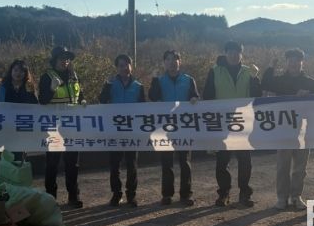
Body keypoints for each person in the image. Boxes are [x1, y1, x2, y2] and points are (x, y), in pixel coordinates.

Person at [260, 48, 314, 210]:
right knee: (283, 166)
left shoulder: (311, 83)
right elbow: (264, 83)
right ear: (286, 62)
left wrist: (309, 94)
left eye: (297, 60)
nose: (293, 63)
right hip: (283, 129)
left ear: (302, 63)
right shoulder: (279, 81)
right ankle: (282, 198)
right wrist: (271, 66)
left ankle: (296, 196)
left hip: (304, 130)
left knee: (300, 167)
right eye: (290, 60)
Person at [203, 41, 262, 208]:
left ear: (241, 54)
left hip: (243, 122)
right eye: (230, 52)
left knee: (245, 160)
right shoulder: (215, 71)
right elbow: (207, 95)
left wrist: (255, 78)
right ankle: (224, 193)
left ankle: (244, 193)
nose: (234, 55)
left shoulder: (249, 72)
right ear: (225, 53)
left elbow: (257, 95)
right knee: (222, 161)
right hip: (222, 123)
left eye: (237, 52)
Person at [148, 50, 200, 207]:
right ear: (164, 63)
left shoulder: (189, 80)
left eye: (175, 59)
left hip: (185, 126)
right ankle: (167, 194)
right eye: (168, 59)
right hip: (165, 127)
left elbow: (196, 97)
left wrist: (194, 99)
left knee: (185, 162)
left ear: (180, 62)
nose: (172, 62)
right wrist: (154, 79)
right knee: (166, 162)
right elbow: (152, 96)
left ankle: (186, 194)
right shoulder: (159, 80)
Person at [38, 46, 85, 208]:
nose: (65, 61)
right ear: (54, 60)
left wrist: (83, 102)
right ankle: (51, 198)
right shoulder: (46, 77)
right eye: (61, 58)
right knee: (52, 163)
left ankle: (73, 195)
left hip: (72, 126)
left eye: (67, 58)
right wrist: (51, 89)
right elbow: (42, 101)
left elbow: (79, 96)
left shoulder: (73, 76)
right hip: (53, 126)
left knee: (73, 163)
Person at [99, 54, 145, 207]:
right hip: (115, 130)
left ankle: (131, 195)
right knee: (114, 164)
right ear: (116, 68)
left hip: (132, 130)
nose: (124, 68)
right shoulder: (110, 84)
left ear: (131, 66)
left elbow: (144, 109)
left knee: (132, 164)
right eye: (120, 65)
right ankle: (116, 194)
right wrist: (107, 85)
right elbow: (102, 100)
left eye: (126, 65)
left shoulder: (139, 86)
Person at [0, 59, 38, 161]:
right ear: (11, 71)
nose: (18, 73)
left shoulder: (29, 87)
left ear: (25, 73)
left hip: (22, 128)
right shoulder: (2, 87)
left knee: (20, 158)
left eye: (22, 71)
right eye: (16, 70)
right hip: (6, 128)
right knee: (6, 159)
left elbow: (35, 106)